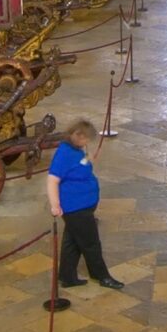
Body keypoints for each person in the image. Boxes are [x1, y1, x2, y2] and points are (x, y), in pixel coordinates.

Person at [47, 118, 121, 290]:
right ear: (77, 136)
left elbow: (77, 169)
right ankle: (102, 276)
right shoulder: (65, 154)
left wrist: (88, 161)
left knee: (72, 242)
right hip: (75, 207)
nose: (88, 142)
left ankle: (67, 276)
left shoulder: (76, 150)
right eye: (86, 138)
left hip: (82, 205)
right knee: (91, 243)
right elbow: (52, 180)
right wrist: (55, 205)